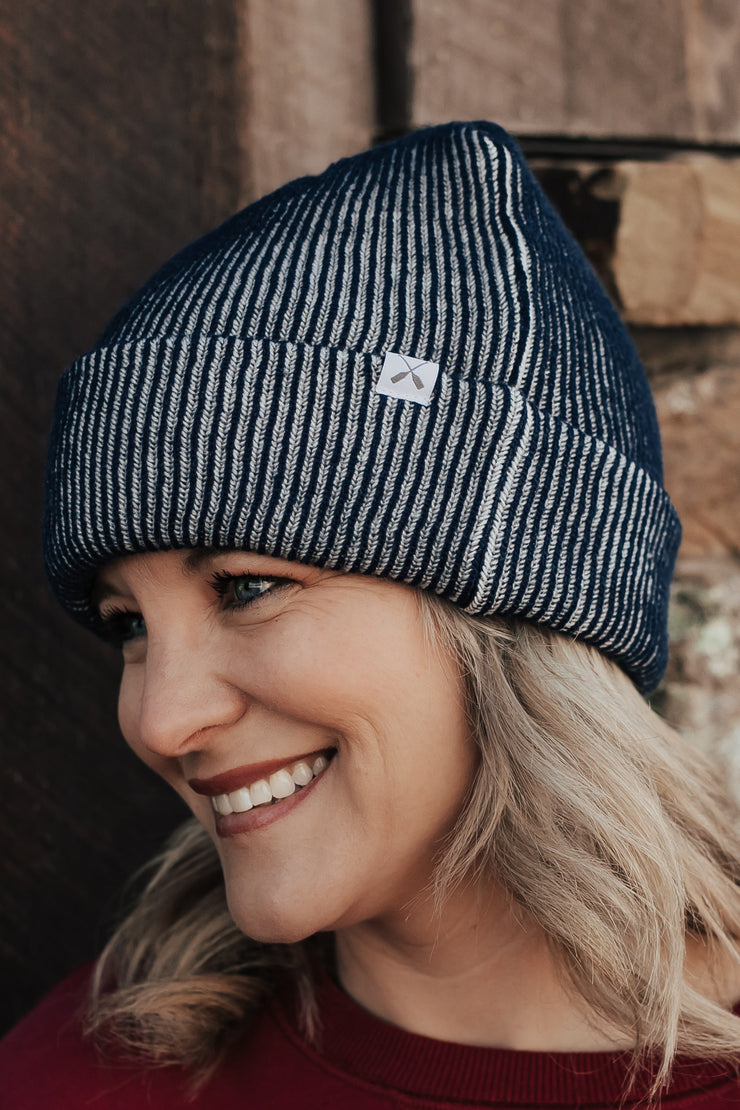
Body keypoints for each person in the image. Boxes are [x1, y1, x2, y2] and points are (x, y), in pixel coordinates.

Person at [3, 119, 740, 1108]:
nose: (160, 720)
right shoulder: (88, 1076)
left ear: (525, 615)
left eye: (247, 587)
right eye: (128, 623)